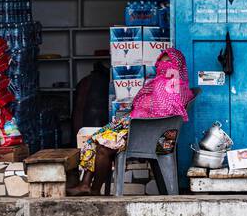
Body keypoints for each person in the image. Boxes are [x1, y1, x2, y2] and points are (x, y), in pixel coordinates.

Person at [70, 48, 198, 196]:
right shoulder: (177, 85)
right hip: (145, 130)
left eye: (168, 62)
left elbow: (163, 113)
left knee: (103, 148)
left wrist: (134, 122)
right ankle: (86, 184)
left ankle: (93, 190)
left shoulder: (167, 85)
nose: (164, 66)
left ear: (177, 64)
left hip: (148, 136)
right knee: (96, 139)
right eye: (161, 62)